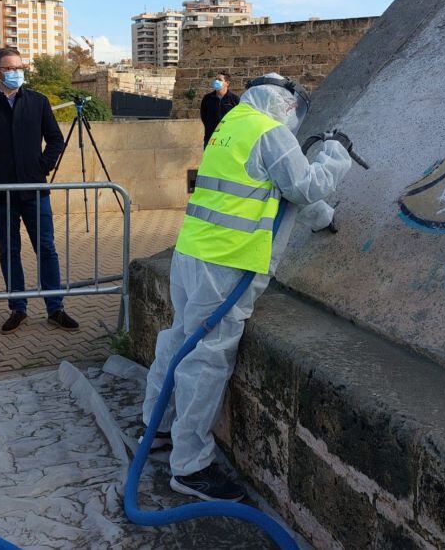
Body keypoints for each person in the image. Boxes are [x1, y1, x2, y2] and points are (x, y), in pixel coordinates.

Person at [141, 73, 353, 501]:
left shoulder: (234, 122)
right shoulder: (272, 133)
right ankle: (190, 467)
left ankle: (156, 428)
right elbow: (306, 184)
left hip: (193, 252)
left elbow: (281, 192)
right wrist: (335, 153)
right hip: (229, 263)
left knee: (179, 339)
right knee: (208, 358)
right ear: (288, 105)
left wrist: (323, 219)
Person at [0, 48, 80, 333]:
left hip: (34, 191)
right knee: (9, 251)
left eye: (19, 67)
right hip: (0, 194)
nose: (16, 72)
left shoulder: (38, 102)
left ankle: (55, 308)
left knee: (46, 248)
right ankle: (18, 308)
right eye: (10, 68)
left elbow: (55, 139)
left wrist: (41, 167)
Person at [199, 72, 239, 147]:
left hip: (227, 138)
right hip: (210, 137)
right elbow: (203, 115)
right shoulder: (207, 98)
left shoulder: (234, 99)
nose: (216, 81)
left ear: (227, 83)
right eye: (216, 79)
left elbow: (237, 118)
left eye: (220, 80)